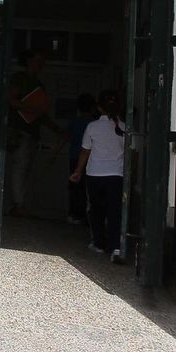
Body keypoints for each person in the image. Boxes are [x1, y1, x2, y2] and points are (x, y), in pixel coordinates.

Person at [72, 89, 128, 264]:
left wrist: (78, 171)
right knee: (114, 211)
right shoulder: (125, 127)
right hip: (116, 175)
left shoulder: (92, 126)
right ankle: (115, 245)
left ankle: (98, 243)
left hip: (95, 174)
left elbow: (85, 151)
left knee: (96, 209)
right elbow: (131, 153)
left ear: (98, 107)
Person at [5, 48, 57, 216]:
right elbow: (11, 100)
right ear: (28, 61)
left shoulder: (38, 84)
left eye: (42, 62)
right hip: (20, 130)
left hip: (31, 131)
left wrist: (56, 129)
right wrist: (32, 108)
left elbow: (41, 114)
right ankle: (19, 204)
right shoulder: (20, 79)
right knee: (20, 167)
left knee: (24, 169)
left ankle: (18, 203)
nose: (41, 65)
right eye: (37, 60)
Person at [64, 93, 98, 224]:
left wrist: (54, 153)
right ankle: (84, 215)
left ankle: (74, 214)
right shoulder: (94, 124)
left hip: (74, 158)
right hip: (90, 160)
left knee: (75, 187)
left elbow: (65, 137)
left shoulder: (74, 122)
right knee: (87, 189)